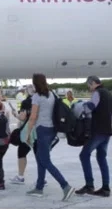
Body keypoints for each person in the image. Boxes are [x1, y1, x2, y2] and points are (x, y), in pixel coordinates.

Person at [25, 73, 75, 201]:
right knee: (41, 158)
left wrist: (28, 133)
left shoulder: (37, 97)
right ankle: (39, 187)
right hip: (52, 129)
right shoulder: (52, 94)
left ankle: (65, 186)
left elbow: (33, 117)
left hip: (42, 130)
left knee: (45, 160)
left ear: (35, 83)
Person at [76, 76, 111, 197]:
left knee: (84, 155)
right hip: (107, 131)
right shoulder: (108, 93)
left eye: (89, 86)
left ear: (93, 83)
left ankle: (89, 185)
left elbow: (90, 108)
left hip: (98, 131)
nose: (89, 88)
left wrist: (81, 105)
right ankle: (106, 188)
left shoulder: (97, 93)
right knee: (101, 158)